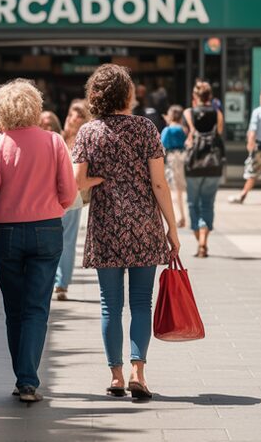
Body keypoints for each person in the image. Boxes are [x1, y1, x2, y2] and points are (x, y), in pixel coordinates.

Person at [73, 64, 181, 400]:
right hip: (143, 225)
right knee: (140, 304)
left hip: (106, 224)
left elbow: (77, 183)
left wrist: (100, 180)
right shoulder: (146, 129)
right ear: (128, 95)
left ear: (96, 96)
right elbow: (159, 182)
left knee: (109, 305)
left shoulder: (88, 132)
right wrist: (172, 227)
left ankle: (116, 376)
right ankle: (139, 373)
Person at [0, 80, 76, 403]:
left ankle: (23, 377)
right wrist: (50, 210)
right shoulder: (54, 142)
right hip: (46, 230)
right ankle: (28, 380)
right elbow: (70, 194)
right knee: (36, 308)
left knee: (14, 309)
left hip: (7, 233)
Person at [54, 99, 92, 300]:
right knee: (52, 240)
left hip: (73, 197)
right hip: (51, 196)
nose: (72, 117)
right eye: (71, 113)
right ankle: (54, 279)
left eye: (78, 114)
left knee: (67, 241)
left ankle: (61, 283)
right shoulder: (58, 138)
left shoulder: (85, 141)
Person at [184, 81, 224, 258]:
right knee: (208, 203)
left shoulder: (188, 113)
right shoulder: (218, 114)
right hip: (213, 164)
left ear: (195, 97)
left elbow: (188, 137)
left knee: (193, 203)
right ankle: (203, 241)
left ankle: (199, 239)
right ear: (211, 97)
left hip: (193, 164)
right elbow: (218, 135)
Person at [160, 105, 188, 228]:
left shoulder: (168, 130)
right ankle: (182, 216)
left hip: (172, 160)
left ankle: (179, 217)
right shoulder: (184, 129)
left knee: (174, 190)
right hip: (183, 158)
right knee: (180, 191)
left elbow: (161, 146)